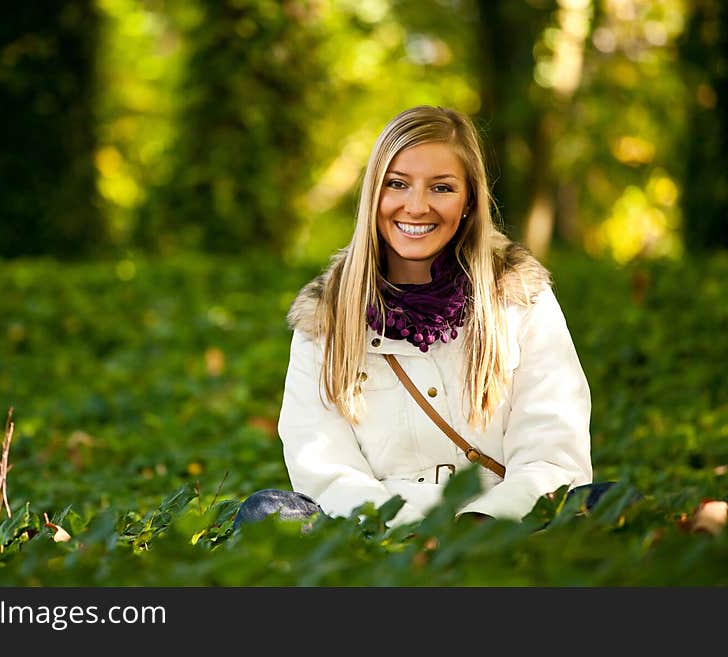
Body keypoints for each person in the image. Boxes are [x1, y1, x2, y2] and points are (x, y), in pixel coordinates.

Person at [235, 105, 605, 532]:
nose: (416, 206)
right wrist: (408, 536)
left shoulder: (520, 300)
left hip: (501, 531)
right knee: (267, 513)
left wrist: (473, 528)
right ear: (374, 195)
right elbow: (326, 472)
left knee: (607, 502)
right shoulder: (327, 319)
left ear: (469, 201)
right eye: (397, 184)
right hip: (371, 538)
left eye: (441, 188)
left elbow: (552, 457)